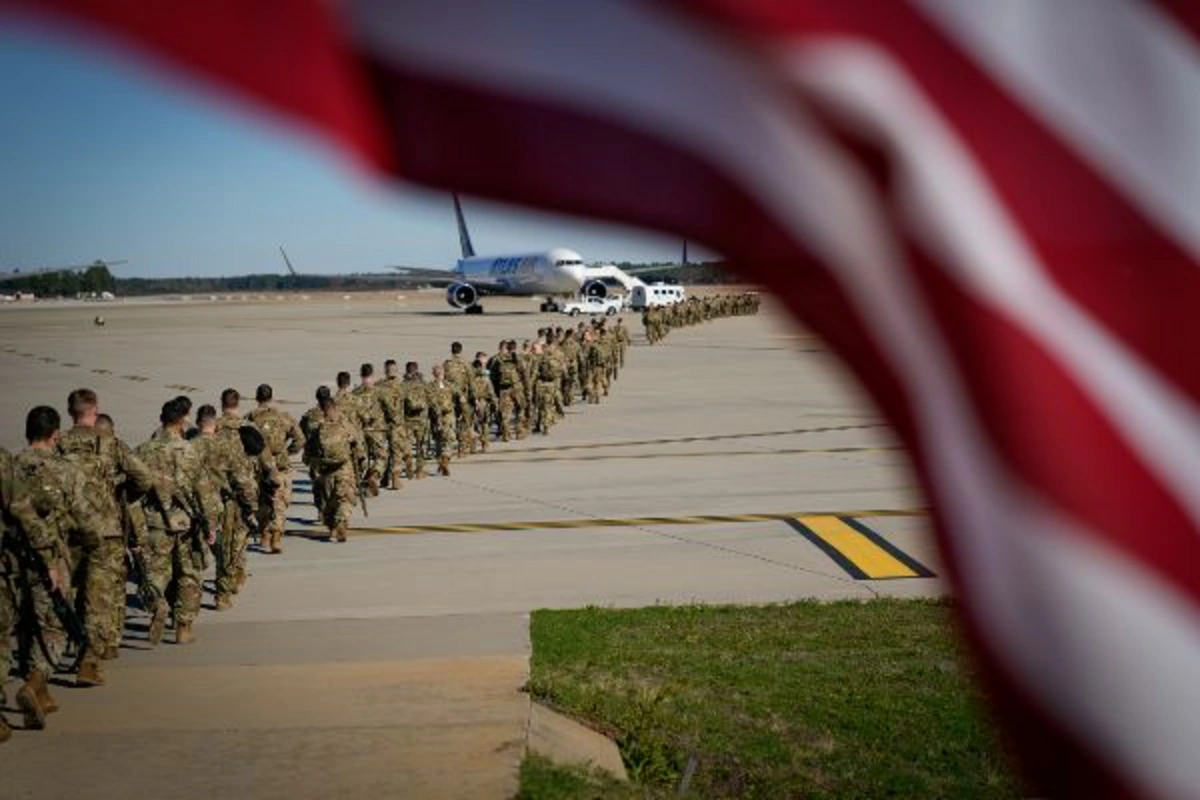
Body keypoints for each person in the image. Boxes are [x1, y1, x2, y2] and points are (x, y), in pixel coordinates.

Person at [56, 387, 157, 683]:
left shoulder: (57, 442)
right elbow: (144, 478)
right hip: (105, 531)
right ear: (95, 409)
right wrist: (121, 495)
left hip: (66, 530)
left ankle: (61, 651)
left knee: (67, 592)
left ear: (69, 411)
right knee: (99, 598)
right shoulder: (110, 443)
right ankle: (90, 660)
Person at [14, 406, 102, 709]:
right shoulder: (66, 470)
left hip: (11, 558)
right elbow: (84, 518)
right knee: (53, 624)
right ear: (55, 435)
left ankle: (40, 694)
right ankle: (36, 680)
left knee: (23, 623)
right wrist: (93, 544)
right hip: (49, 558)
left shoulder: (12, 466)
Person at [134, 398, 221, 645]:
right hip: (186, 524)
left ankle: (157, 605)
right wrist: (210, 524)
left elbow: (131, 490)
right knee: (189, 574)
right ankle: (184, 627)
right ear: (183, 419)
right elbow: (203, 492)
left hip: (154, 522)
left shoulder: (143, 450)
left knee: (155, 573)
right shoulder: (190, 451)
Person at [191, 404, 257, 611]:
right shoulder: (227, 447)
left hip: (193, 507)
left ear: (197, 422)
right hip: (222, 505)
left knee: (193, 553)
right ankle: (222, 596)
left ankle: (188, 598)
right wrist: (250, 506)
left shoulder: (187, 447)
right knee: (224, 553)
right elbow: (241, 479)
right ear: (215, 424)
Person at [246, 384, 303, 555]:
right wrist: (288, 452)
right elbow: (300, 439)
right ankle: (276, 535)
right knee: (279, 502)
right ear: (272, 397)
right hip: (280, 466)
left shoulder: (250, 418)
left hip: (259, 468)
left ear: (257, 399)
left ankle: (264, 534)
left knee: (262, 501)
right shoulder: (283, 417)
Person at [308, 391, 361, 542]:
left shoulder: (317, 429)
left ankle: (332, 529)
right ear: (335, 408)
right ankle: (341, 524)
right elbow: (359, 449)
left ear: (322, 410)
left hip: (325, 472)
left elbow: (308, 454)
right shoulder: (346, 426)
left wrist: (315, 468)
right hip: (344, 469)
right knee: (344, 500)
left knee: (328, 502)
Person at [352, 363, 388, 496]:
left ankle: (365, 483)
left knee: (363, 458)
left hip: (361, 430)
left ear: (361, 375)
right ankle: (374, 474)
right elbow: (389, 408)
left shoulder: (355, 393)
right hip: (377, 430)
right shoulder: (379, 391)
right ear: (372, 375)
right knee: (381, 456)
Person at [426, 364, 456, 476]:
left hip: (435, 418)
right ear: (443, 373)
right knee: (449, 441)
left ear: (433, 374)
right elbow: (460, 396)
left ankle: (440, 462)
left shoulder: (429, 387)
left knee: (438, 441)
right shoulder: (449, 385)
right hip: (448, 416)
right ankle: (446, 458)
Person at [403, 362, 430, 478]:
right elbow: (431, 399)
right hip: (421, 419)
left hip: (408, 419)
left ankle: (408, 460)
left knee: (407, 444)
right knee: (421, 445)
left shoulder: (403, 385)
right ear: (417, 370)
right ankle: (419, 470)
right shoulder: (423, 384)